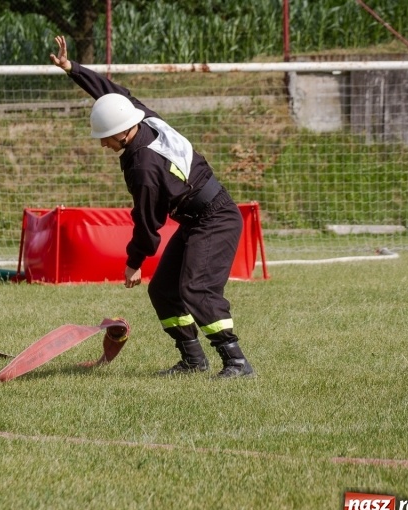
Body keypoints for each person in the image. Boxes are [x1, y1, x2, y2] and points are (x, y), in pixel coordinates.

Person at [50, 35, 255, 379]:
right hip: (196, 219)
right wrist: (73, 69)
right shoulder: (144, 119)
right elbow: (110, 94)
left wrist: (134, 262)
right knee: (163, 290)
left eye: (104, 137)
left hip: (215, 218)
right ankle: (193, 360)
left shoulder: (142, 166)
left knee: (196, 289)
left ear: (121, 132)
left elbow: (148, 221)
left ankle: (236, 362)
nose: (102, 144)